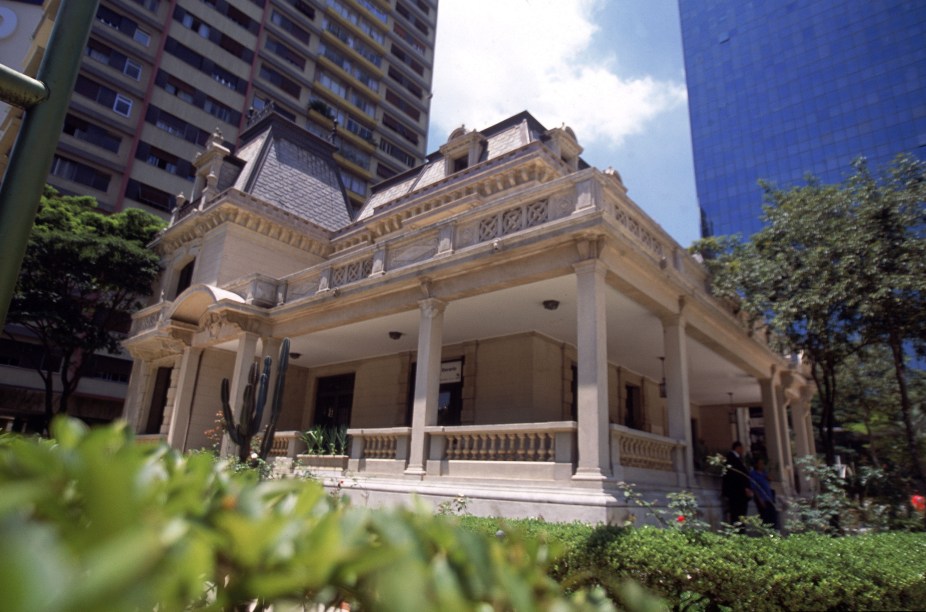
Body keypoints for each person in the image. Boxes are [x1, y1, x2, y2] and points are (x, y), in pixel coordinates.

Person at [722, 441, 752, 525]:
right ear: (737, 448)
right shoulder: (732, 459)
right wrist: (745, 488)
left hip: (740, 493)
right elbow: (736, 476)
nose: (742, 450)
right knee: (737, 514)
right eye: (741, 448)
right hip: (737, 493)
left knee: (741, 514)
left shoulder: (737, 459)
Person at [749, 457, 778, 529]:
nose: (762, 465)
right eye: (760, 464)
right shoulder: (753, 474)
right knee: (765, 518)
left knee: (773, 517)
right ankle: (767, 535)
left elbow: (771, 479)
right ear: (756, 464)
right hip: (762, 499)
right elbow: (754, 488)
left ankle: (774, 535)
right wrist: (760, 500)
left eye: (763, 464)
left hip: (769, 498)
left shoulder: (764, 473)